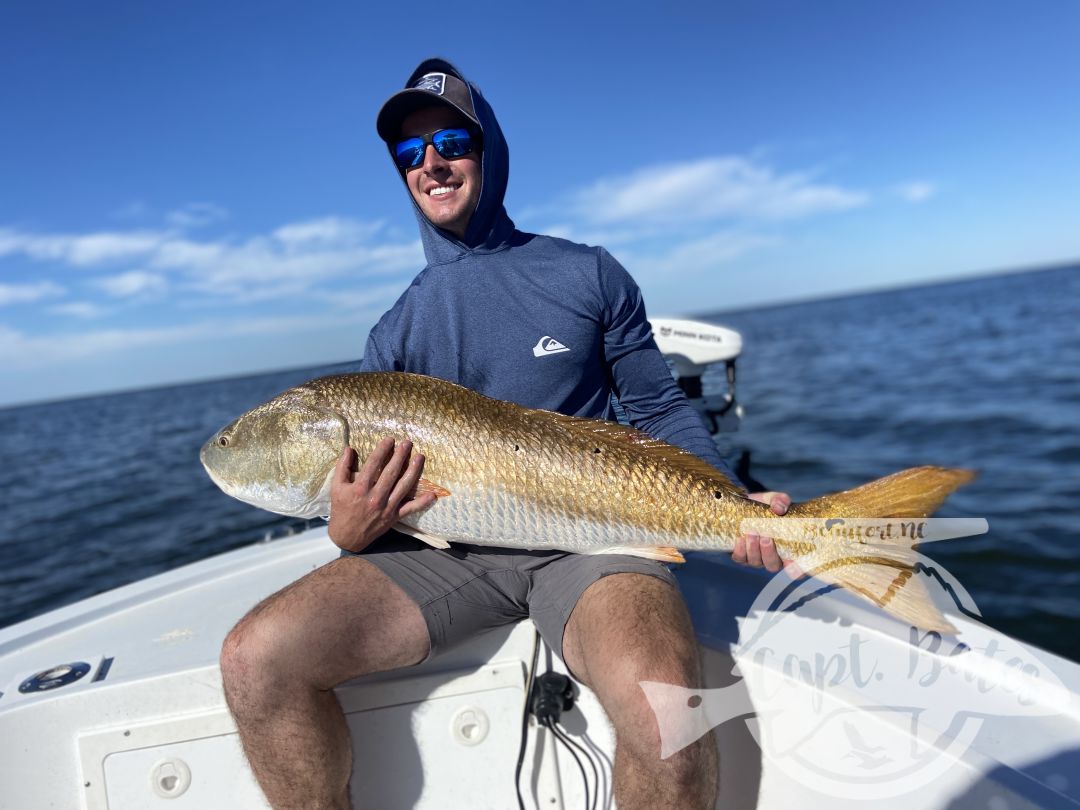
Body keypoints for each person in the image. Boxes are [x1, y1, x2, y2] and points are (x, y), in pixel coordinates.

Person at [219, 58, 793, 810]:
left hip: (591, 541)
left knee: (667, 720)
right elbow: (370, 495)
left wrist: (734, 498)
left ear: (489, 149)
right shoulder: (394, 334)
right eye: (409, 153)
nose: (431, 164)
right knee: (253, 659)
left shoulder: (588, 275)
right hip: (449, 556)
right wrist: (348, 529)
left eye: (451, 140)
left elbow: (656, 407)